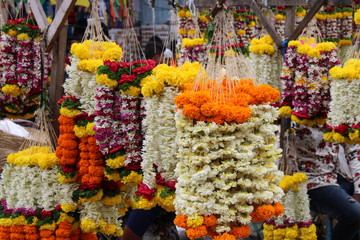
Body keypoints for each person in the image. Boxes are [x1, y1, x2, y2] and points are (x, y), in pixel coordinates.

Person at [288, 123, 360, 240]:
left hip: (339, 176)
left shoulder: (339, 109)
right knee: (355, 215)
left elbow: (354, 151)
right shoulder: (290, 110)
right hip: (309, 180)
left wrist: (359, 189)